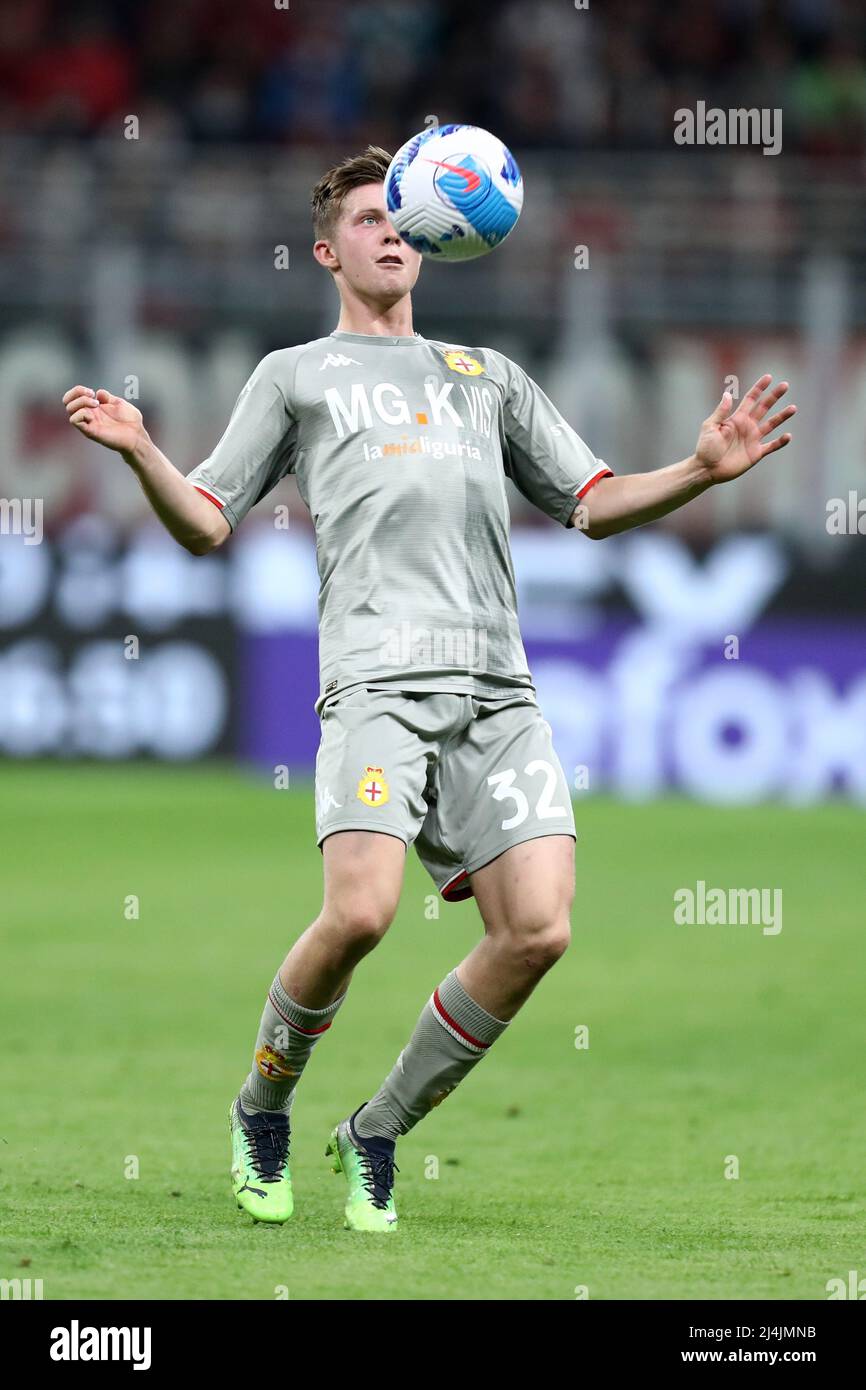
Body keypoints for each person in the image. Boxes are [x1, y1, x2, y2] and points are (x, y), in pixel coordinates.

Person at [62, 145, 796, 1233]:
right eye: (368, 216)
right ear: (328, 250)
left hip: (497, 692)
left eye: (401, 212)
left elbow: (589, 503)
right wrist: (141, 455)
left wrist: (694, 472)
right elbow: (207, 523)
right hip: (375, 684)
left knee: (537, 930)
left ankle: (376, 1129)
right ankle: (263, 1103)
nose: (391, 227)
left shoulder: (485, 375)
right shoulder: (295, 376)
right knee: (358, 913)